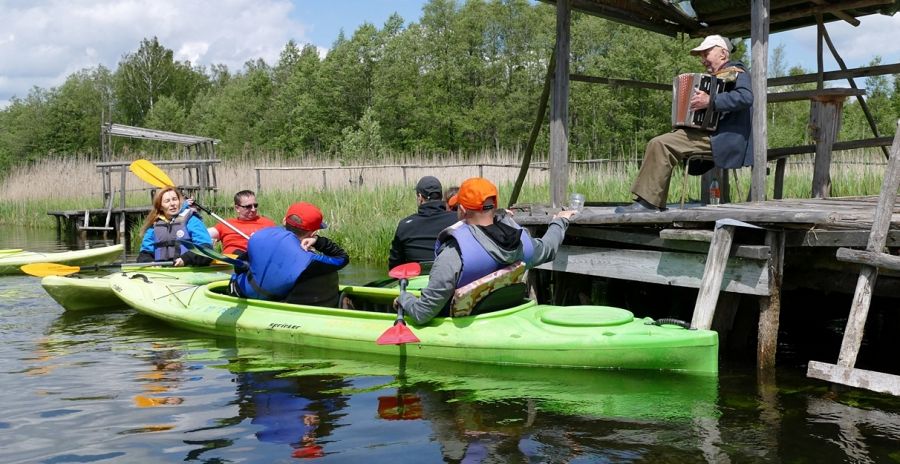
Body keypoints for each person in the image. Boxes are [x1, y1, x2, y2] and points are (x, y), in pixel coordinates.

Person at [395, 177, 576, 325]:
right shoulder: (521, 242)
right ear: (494, 204)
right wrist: (560, 221)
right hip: (501, 317)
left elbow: (422, 313)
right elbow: (548, 249)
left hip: (463, 325)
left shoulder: (453, 253)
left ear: (463, 210)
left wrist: (404, 298)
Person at [615, 34, 753, 213]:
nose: (703, 60)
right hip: (711, 134)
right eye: (701, 56)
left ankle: (648, 204)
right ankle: (651, 202)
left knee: (661, 143)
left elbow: (745, 97)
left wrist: (710, 100)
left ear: (723, 54)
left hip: (725, 139)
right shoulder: (717, 77)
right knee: (663, 141)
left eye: (706, 53)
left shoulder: (737, 71)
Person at [230, 202, 349, 307]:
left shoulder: (259, 235)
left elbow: (238, 266)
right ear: (313, 233)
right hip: (274, 300)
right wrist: (319, 242)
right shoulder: (310, 260)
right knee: (326, 274)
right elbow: (342, 258)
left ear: (284, 221)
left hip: (240, 291)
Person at [387, 176, 458, 270]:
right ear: (441, 196)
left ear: (420, 197)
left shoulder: (405, 225)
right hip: (450, 278)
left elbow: (395, 266)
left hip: (416, 279)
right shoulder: (457, 220)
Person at [137, 187, 213, 266]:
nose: (172, 204)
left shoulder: (192, 220)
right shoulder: (154, 226)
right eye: (167, 201)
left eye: (174, 199)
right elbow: (144, 254)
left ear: (179, 202)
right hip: (164, 272)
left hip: (189, 269)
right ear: (160, 206)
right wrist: (149, 262)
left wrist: (185, 259)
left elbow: (206, 249)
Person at [207, 190, 276, 254]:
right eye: (248, 206)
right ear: (237, 208)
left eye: (255, 205)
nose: (253, 209)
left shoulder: (268, 223)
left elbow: (278, 243)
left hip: (256, 257)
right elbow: (202, 234)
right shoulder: (226, 224)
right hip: (232, 260)